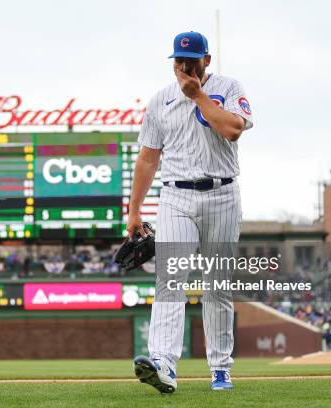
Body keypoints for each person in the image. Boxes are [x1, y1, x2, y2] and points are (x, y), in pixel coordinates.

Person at [128, 31, 253, 393]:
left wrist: (197, 95)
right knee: (171, 280)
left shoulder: (228, 87)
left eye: (192, 61)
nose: (184, 68)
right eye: (179, 61)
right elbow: (148, 159)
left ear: (207, 61)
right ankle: (163, 364)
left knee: (217, 286)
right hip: (175, 197)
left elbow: (233, 130)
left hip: (222, 193)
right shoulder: (159, 100)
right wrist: (134, 211)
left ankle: (220, 369)